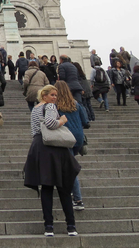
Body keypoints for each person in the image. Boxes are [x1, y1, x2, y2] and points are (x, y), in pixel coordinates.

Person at [23, 85, 80, 237]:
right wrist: (61, 120)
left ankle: (49, 226)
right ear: (45, 95)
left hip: (38, 146)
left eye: (56, 95)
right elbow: (50, 123)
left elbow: (34, 129)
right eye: (52, 95)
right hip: (53, 148)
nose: (55, 98)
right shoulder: (50, 107)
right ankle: (71, 225)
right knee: (64, 188)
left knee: (47, 188)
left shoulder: (35, 109)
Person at [54, 81, 88, 212]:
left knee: (70, 168)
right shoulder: (76, 103)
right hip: (78, 138)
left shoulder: (56, 106)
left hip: (65, 137)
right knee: (68, 163)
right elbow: (85, 121)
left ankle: (78, 199)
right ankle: (70, 191)